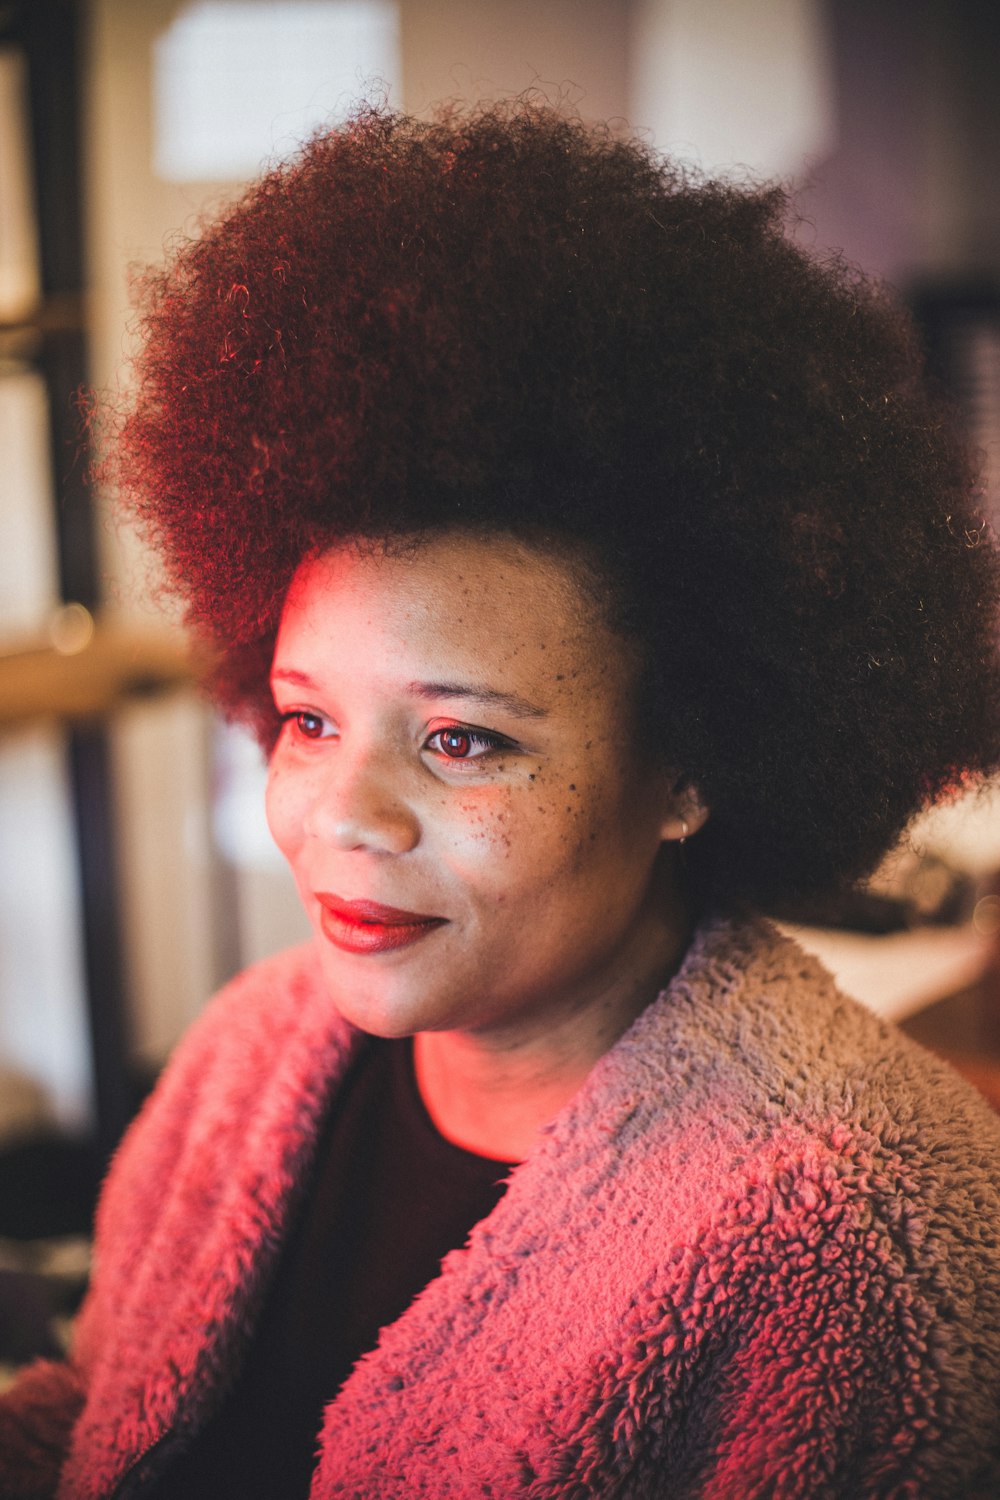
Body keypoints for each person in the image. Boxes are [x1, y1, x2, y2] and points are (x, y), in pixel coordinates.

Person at [3, 99, 1000, 1499]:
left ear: (694, 766)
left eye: (464, 743)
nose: (343, 815)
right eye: (308, 718)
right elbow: (102, 1416)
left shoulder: (864, 1236)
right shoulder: (245, 1056)